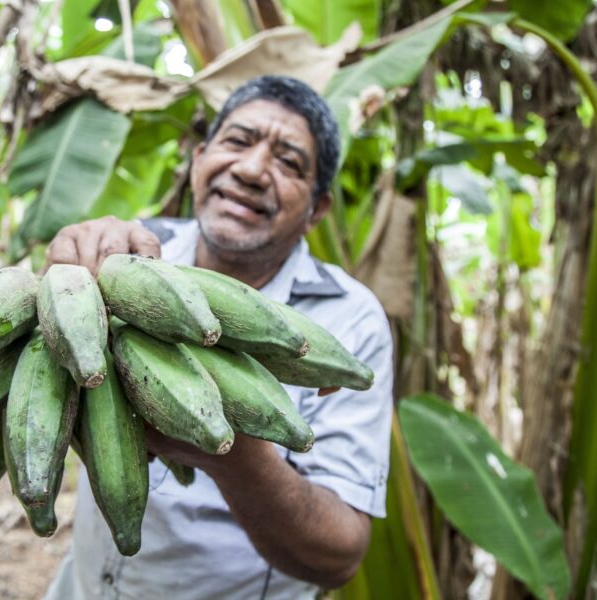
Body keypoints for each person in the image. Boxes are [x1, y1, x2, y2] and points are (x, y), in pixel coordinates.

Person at [42, 75, 393, 599]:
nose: (251, 170)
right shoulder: (131, 254)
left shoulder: (349, 320)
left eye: (289, 163)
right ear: (200, 159)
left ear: (317, 210)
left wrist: (229, 454)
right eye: (237, 141)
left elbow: (339, 555)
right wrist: (63, 285)